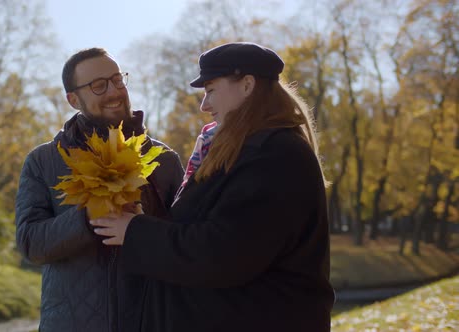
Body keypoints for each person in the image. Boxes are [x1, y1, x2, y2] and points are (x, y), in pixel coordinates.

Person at [90, 42, 334, 332]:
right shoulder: (247, 149)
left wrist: (135, 232)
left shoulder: (274, 154)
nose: (204, 105)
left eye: (211, 90)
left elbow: (223, 253)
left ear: (246, 85)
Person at [15, 47, 184, 332]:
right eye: (98, 86)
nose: (115, 92)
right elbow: (30, 243)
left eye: (118, 80)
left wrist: (142, 228)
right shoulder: (43, 161)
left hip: (150, 321)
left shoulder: (163, 159)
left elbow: (187, 243)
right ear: (73, 99)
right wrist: (87, 218)